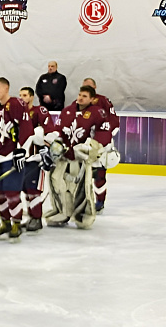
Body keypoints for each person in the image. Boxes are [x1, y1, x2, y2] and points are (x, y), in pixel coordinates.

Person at [43, 85, 113, 229]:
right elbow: (59, 129)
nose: (80, 98)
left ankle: (83, 215)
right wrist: (55, 140)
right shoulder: (68, 110)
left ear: (92, 99)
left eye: (85, 96)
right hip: (64, 156)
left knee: (81, 188)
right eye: (80, 94)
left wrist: (91, 146)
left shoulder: (98, 112)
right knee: (58, 184)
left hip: (81, 158)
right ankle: (62, 212)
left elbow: (104, 132)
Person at [0, 77, 33, 243]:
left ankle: (16, 224)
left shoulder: (17, 104)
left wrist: (21, 151)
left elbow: (26, 128)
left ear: (6, 88)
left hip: (11, 156)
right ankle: (5, 223)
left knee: (12, 192)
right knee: (0, 193)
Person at [82, 78, 120, 214]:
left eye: (89, 86)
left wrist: (106, 137)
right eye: (84, 86)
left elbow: (113, 118)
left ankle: (99, 201)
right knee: (81, 175)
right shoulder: (78, 103)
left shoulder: (103, 100)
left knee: (99, 174)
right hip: (84, 145)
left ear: (95, 87)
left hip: (100, 144)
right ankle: (82, 201)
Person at [18, 86, 53, 233]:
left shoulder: (40, 111)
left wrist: (46, 149)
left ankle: (37, 219)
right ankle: (31, 217)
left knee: (34, 189)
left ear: (32, 97)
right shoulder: (18, 113)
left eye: (25, 95)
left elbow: (50, 132)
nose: (22, 98)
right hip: (22, 158)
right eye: (20, 95)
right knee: (26, 189)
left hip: (36, 158)